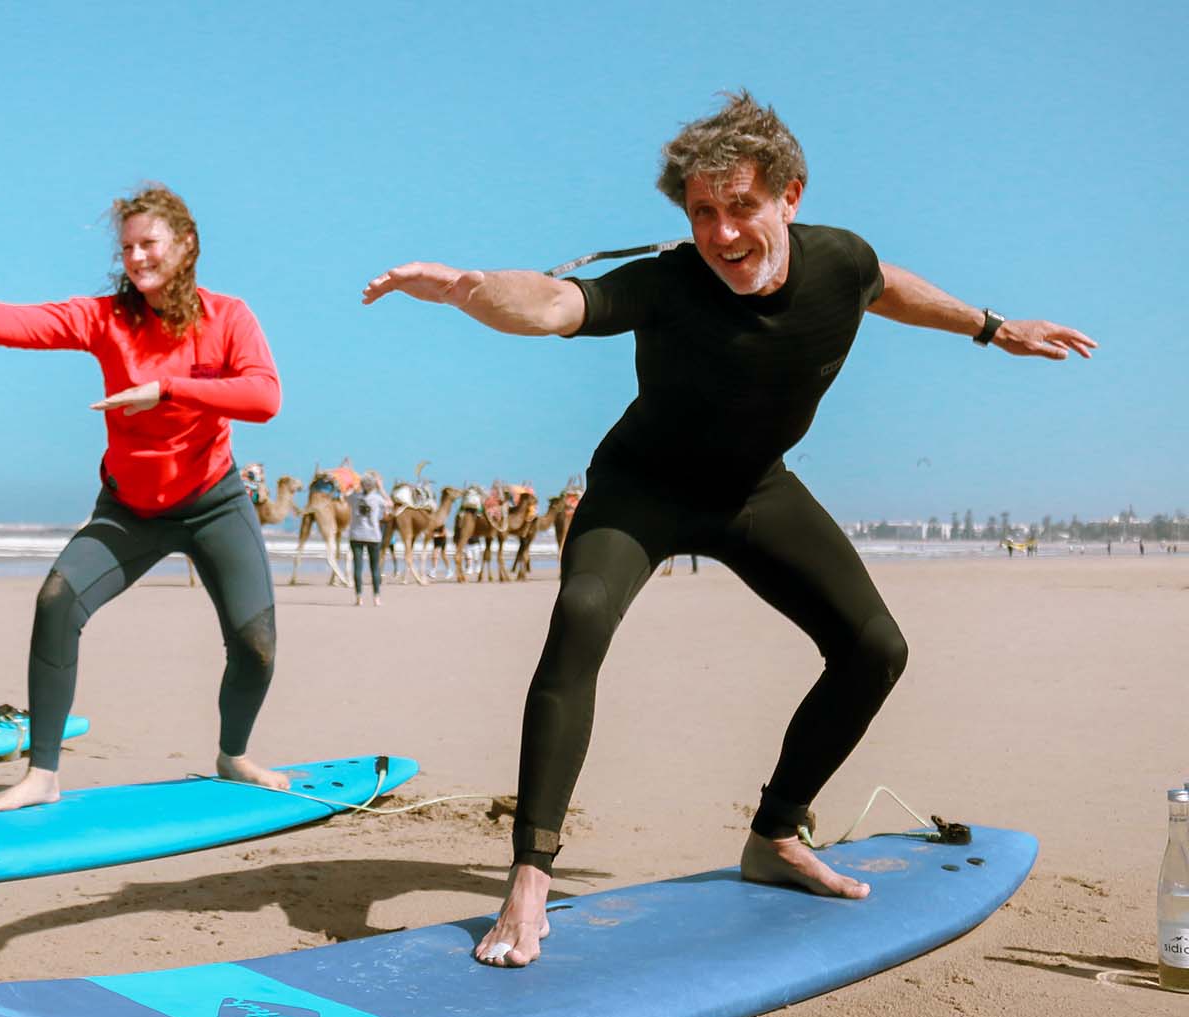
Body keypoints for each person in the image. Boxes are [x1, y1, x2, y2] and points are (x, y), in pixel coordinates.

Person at [362, 92, 1095, 968]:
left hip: (755, 490)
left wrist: (990, 326)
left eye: (740, 205)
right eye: (702, 212)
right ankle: (529, 878)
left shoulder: (839, 261)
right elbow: (557, 303)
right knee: (581, 618)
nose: (721, 233)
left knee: (875, 650)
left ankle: (777, 834)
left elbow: (886, 285)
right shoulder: (668, 281)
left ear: (791, 195)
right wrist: (467, 289)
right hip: (643, 491)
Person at [0, 183, 287, 812]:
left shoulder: (229, 316)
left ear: (186, 247)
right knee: (57, 600)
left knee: (256, 646)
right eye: (127, 247)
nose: (136, 257)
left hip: (214, 502)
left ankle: (233, 754)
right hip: (130, 509)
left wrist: (167, 390)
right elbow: (21, 323)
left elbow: (264, 397)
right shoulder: (108, 317)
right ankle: (42, 773)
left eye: (149, 243)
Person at [348, 472, 390, 606]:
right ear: (373, 486)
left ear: (362, 485)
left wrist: (355, 486)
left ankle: (359, 598)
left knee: (358, 568)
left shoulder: (354, 497)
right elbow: (390, 503)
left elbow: (344, 496)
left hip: (356, 535)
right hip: (373, 536)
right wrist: (381, 487)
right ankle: (377, 598)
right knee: (375, 568)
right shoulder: (377, 499)